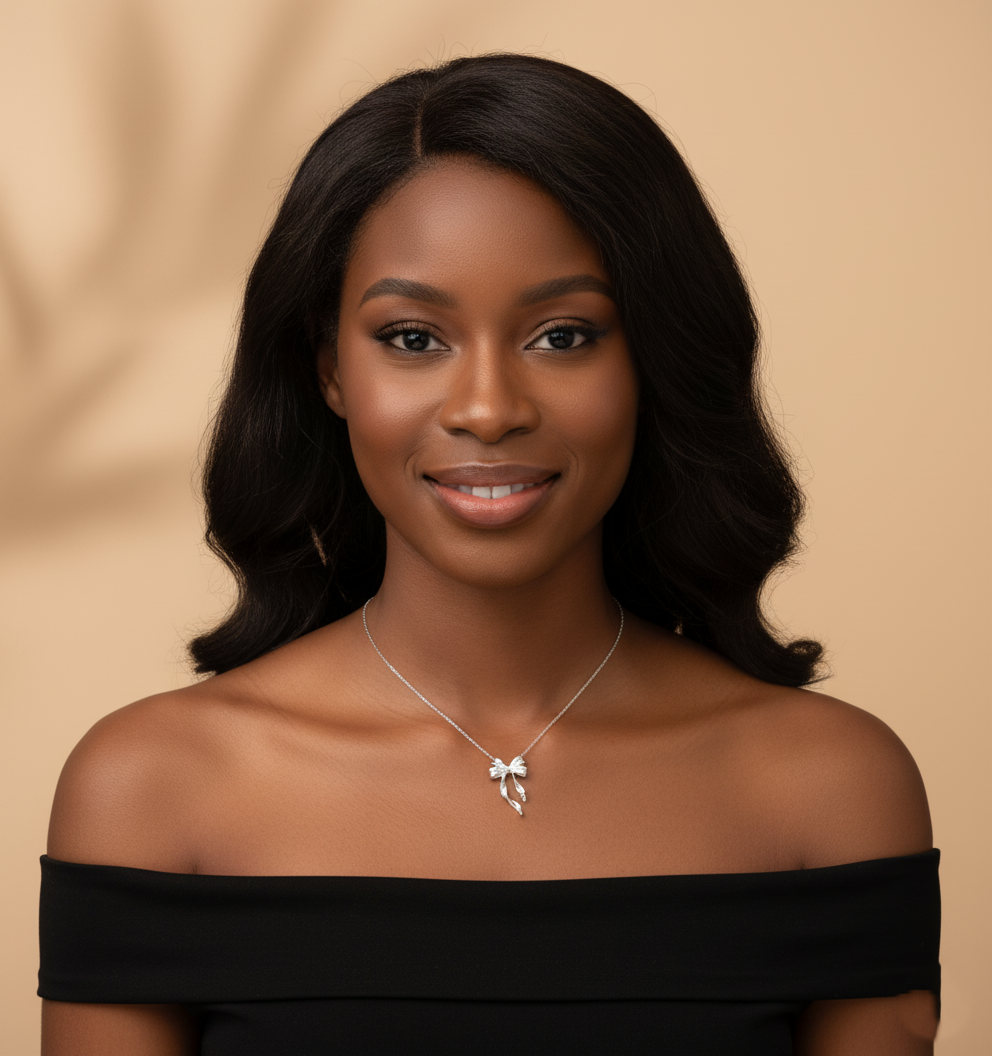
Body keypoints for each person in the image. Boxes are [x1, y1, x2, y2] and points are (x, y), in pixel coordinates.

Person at [38, 53, 939, 1055]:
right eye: (413, 338)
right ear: (330, 367)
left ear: (652, 358)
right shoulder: (151, 790)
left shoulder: (825, 789)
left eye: (561, 335)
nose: (488, 409)